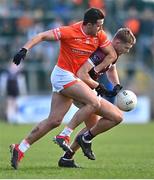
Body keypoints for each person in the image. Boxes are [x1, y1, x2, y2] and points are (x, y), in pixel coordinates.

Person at [10, 8, 118, 170]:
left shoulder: (99, 36)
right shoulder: (70, 31)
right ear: (88, 24)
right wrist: (24, 49)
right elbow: (42, 35)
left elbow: (111, 54)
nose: (101, 29)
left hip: (73, 79)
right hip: (63, 75)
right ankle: (64, 135)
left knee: (54, 120)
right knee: (94, 103)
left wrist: (96, 71)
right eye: (98, 26)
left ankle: (20, 148)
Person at [55, 28, 136, 168]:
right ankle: (75, 137)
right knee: (117, 117)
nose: (127, 51)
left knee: (92, 127)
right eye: (126, 47)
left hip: (87, 88)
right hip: (80, 87)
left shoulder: (114, 53)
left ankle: (67, 158)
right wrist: (98, 86)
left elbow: (111, 69)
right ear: (116, 42)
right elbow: (82, 73)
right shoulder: (100, 53)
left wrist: (116, 85)